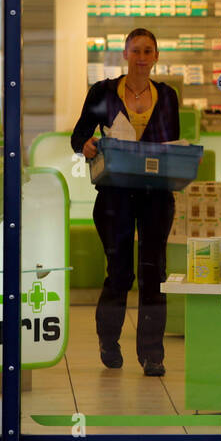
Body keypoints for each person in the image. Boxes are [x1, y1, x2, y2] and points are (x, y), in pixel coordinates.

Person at [71, 28, 179, 377]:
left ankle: (152, 355)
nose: (142, 57)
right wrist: (87, 144)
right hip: (115, 193)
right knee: (119, 272)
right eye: (136, 51)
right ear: (125, 53)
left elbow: (172, 144)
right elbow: (78, 136)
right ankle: (108, 340)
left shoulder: (167, 96)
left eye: (149, 51)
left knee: (153, 273)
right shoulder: (103, 92)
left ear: (156, 56)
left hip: (156, 195)